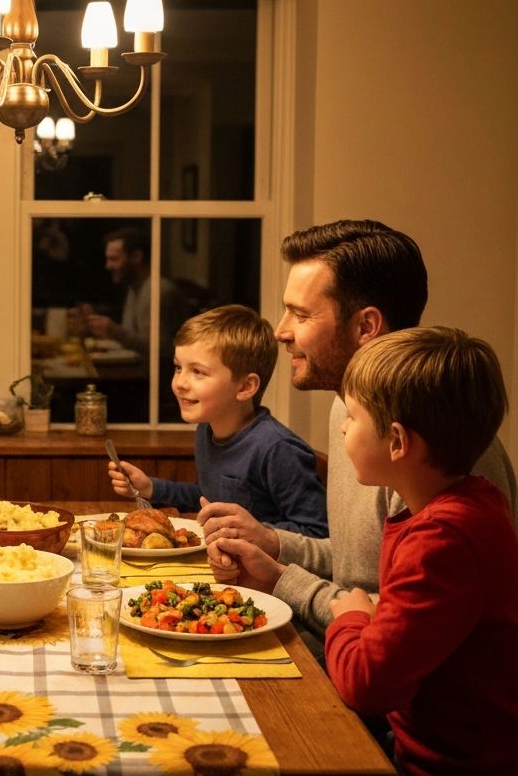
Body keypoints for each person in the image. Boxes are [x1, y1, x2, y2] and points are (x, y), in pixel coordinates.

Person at [200, 220, 516, 650]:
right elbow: (359, 567)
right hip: (341, 646)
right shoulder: (345, 409)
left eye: (302, 313)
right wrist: (273, 543)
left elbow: (401, 624)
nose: (280, 330)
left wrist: (283, 579)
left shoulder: (440, 452)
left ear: (366, 326)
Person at [326, 326, 518, 776]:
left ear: (396, 442)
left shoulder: (444, 538)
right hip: (432, 770)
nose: (343, 428)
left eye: (353, 417)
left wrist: (351, 615)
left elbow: (367, 684)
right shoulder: (459, 508)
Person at [107, 305, 328, 535]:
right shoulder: (206, 430)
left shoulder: (277, 448)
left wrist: (246, 530)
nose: (180, 382)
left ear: (245, 387)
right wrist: (151, 488)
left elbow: (318, 533)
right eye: (178, 367)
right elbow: (207, 500)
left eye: (198, 372)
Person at [81, 226, 183, 358]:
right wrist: (95, 313)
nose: (108, 266)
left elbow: (160, 349)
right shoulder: (134, 286)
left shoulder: (158, 292)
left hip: (155, 377)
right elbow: (134, 334)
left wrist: (115, 331)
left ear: (136, 257)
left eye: (114, 259)